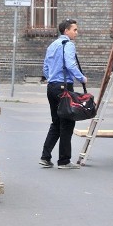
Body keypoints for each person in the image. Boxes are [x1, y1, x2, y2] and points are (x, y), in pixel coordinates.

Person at [39, 18, 87, 170]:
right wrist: (81, 78)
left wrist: (50, 78)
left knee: (56, 122)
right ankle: (64, 161)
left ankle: (45, 157)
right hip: (64, 88)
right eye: (74, 30)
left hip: (52, 87)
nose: (76, 33)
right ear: (66, 31)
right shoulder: (68, 45)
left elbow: (45, 67)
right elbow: (70, 64)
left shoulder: (52, 45)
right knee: (67, 123)